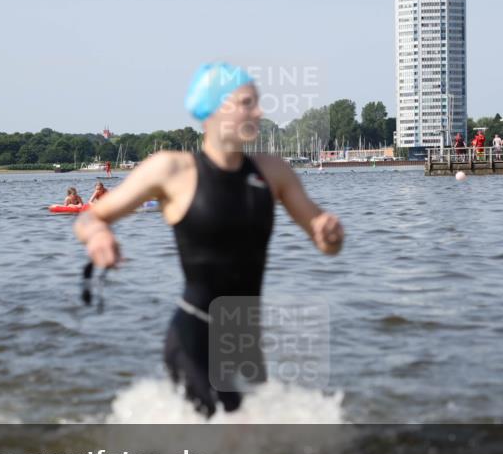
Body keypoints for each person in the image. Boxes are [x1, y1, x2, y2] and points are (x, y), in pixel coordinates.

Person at [74, 62, 344, 417]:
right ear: (216, 110)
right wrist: (98, 237)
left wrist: (331, 234)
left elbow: (325, 242)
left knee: (253, 452)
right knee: (225, 436)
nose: (259, 111)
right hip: (193, 335)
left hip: (243, 340)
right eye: (248, 103)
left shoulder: (273, 170)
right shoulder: (172, 169)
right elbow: (91, 216)